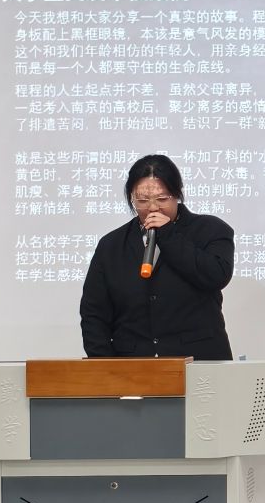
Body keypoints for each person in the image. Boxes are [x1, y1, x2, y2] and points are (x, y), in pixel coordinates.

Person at [79, 154, 235, 360]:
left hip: (199, 361)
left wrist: (169, 235)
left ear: (177, 194)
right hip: (133, 364)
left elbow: (216, 276)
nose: (152, 207)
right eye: (142, 201)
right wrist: (105, 366)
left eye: (162, 199)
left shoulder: (211, 230)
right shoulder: (112, 245)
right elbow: (93, 313)